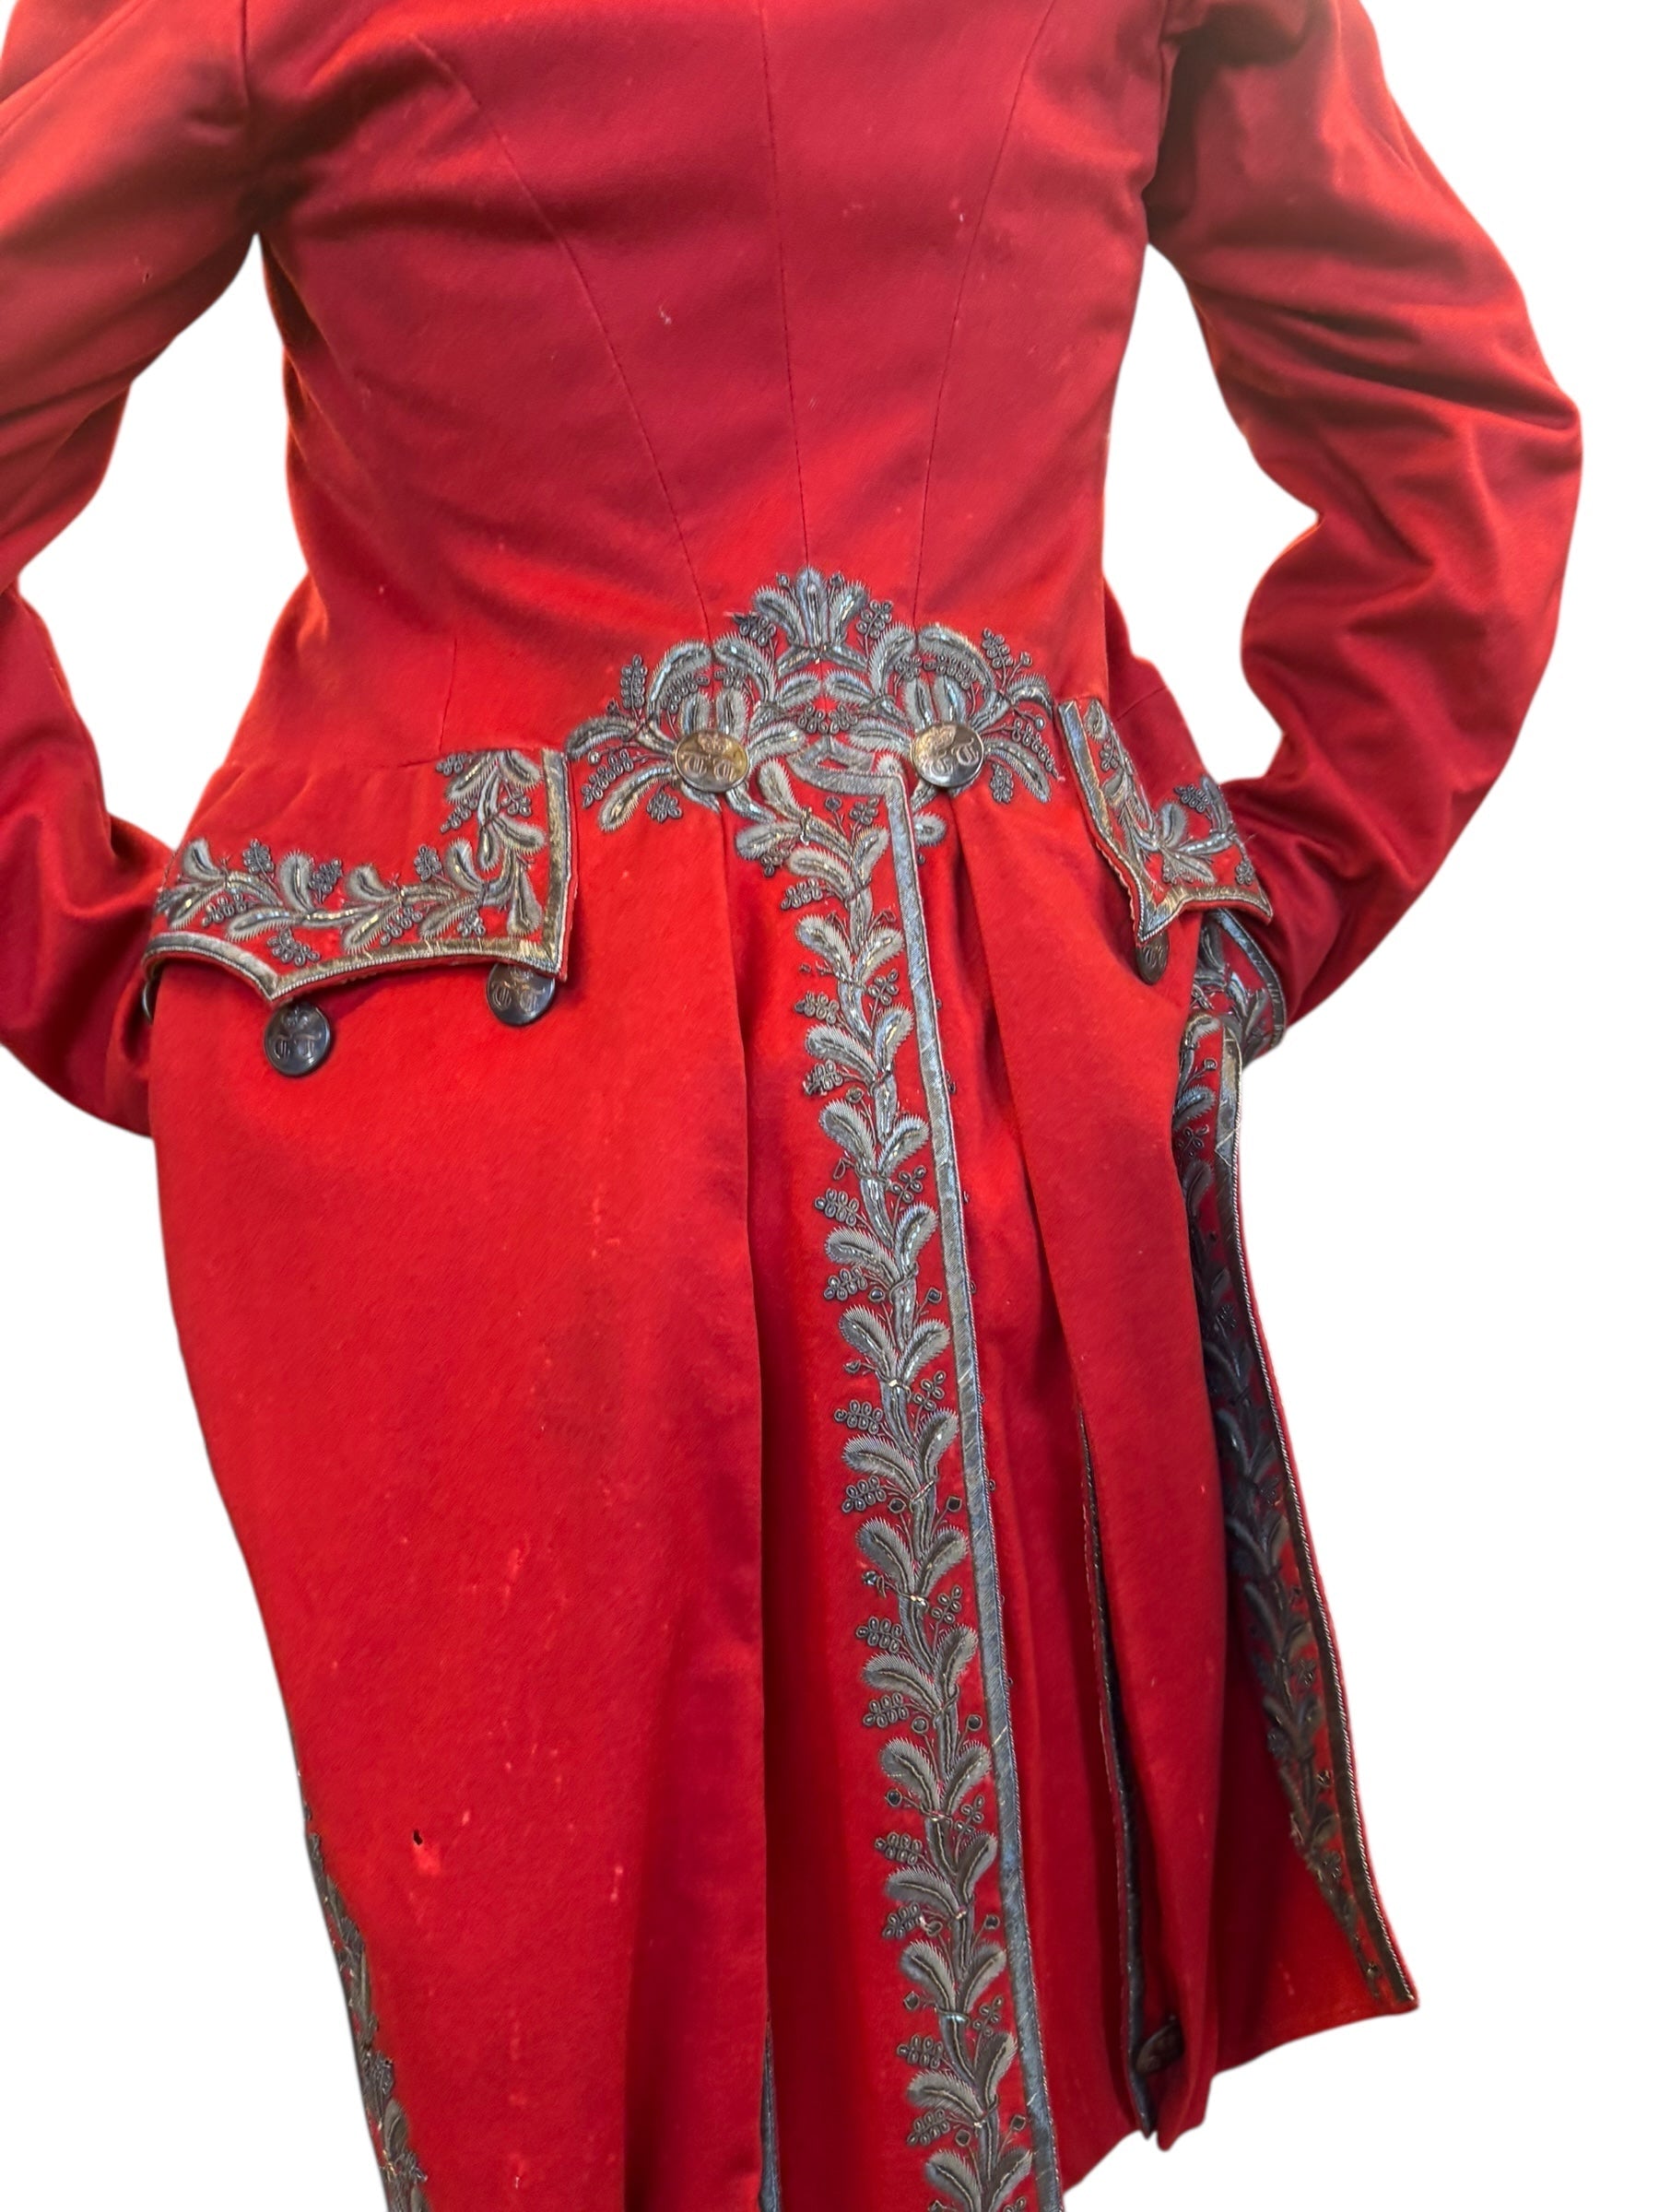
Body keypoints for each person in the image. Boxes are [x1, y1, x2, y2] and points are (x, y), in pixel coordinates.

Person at [0, 0, 1579, 2205]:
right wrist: (1267, 894)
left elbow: (1445, 445)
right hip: (970, 1096)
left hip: (519, 1118)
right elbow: (1453, 441)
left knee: (606, 2002)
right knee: (892, 1989)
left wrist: (123, 975)